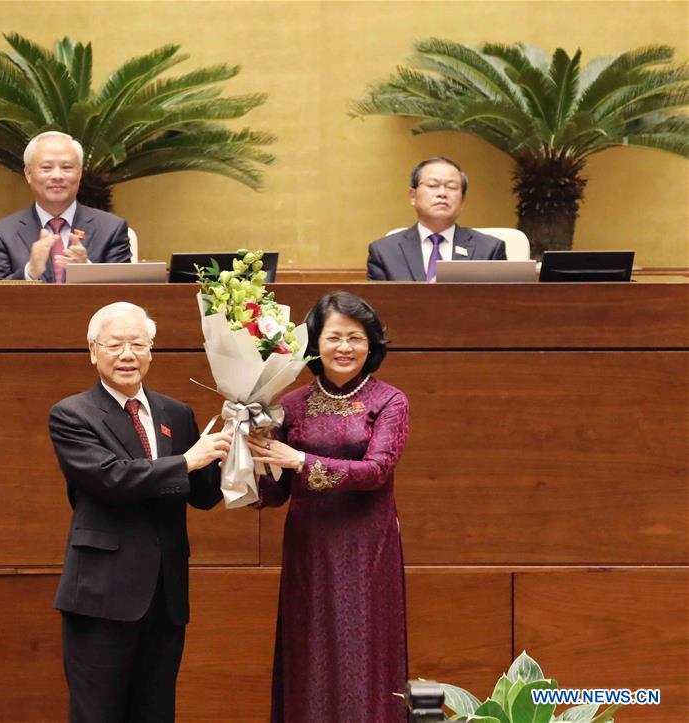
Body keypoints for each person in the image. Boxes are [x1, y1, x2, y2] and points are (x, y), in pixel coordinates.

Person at [49, 302, 231, 722]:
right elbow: (111, 479)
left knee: (156, 713)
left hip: (165, 596)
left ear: (151, 350)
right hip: (101, 596)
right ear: (93, 351)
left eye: (137, 344)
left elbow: (203, 494)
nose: (127, 354)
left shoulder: (176, 413)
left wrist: (238, 444)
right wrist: (187, 461)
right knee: (98, 714)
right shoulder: (71, 414)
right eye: (115, 345)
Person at [247, 291, 410, 723]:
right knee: (309, 649)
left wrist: (300, 460)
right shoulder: (290, 403)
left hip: (367, 548)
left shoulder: (390, 400)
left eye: (356, 338)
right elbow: (276, 493)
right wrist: (249, 460)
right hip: (309, 548)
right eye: (334, 337)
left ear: (372, 345)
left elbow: (376, 471)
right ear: (314, 343)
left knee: (365, 650)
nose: (344, 348)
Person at [0, 131, 131, 281]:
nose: (57, 176)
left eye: (67, 167)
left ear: (79, 173)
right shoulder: (2, 234)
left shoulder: (112, 229)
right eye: (46, 168)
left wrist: (87, 270)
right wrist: (30, 273)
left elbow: (126, 290)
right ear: (28, 174)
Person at [367, 156, 507, 281]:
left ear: (462, 200)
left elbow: (501, 300)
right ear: (413, 196)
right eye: (432, 185)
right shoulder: (384, 252)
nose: (442, 193)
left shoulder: (489, 250)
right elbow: (378, 302)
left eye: (452, 187)